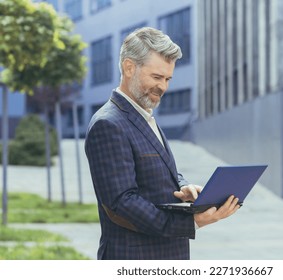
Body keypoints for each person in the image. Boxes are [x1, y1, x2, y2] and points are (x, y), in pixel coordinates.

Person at [85, 27, 240, 260]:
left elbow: (157, 172)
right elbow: (121, 203)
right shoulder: (109, 124)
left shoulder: (143, 116)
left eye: (167, 79)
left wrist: (183, 187)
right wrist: (193, 222)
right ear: (129, 68)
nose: (164, 87)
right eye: (156, 77)